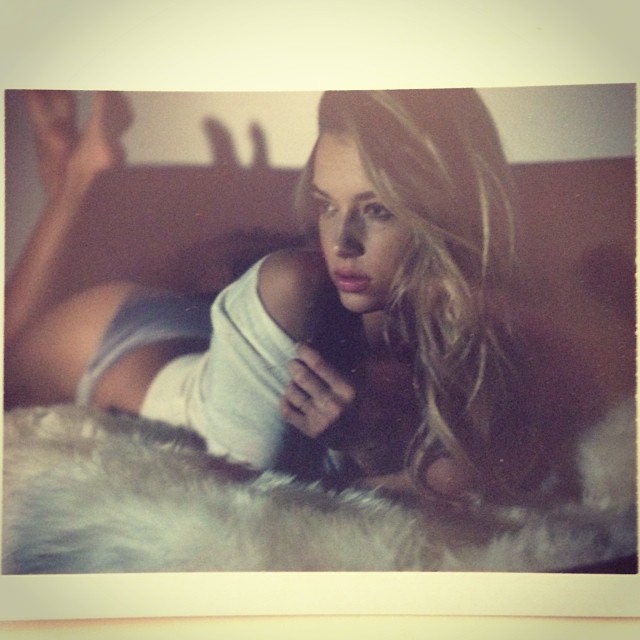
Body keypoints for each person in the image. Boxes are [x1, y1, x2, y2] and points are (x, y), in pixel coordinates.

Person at [4, 89, 578, 505]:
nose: (342, 243)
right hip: (121, 348)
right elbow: (254, 490)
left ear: (442, 208)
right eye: (327, 205)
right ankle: (76, 182)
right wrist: (375, 447)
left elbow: (488, 471)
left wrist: (371, 441)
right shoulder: (293, 280)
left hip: (212, 332)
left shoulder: (492, 324)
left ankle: (70, 181)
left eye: (377, 209)